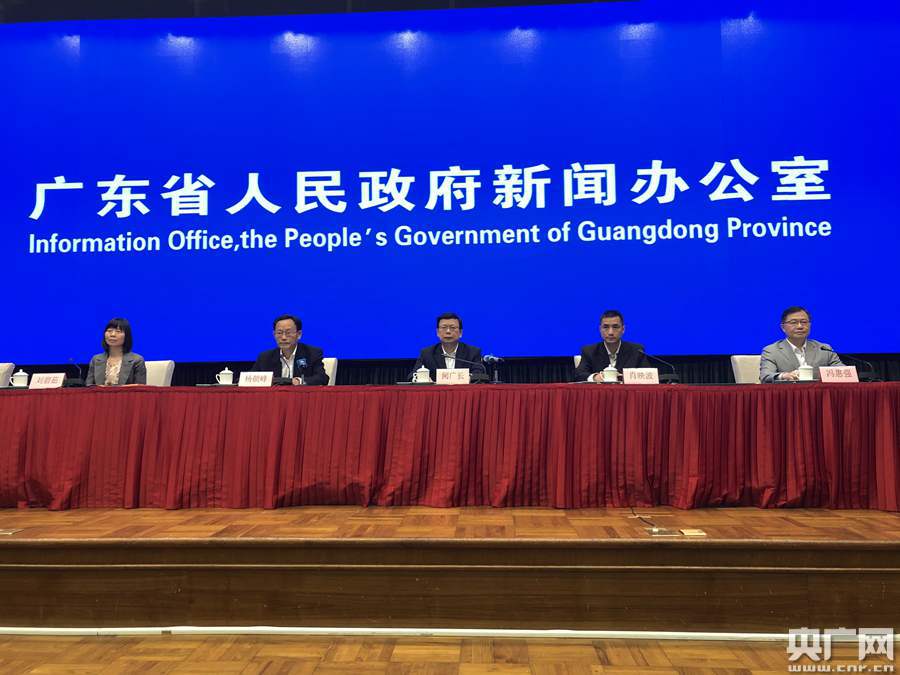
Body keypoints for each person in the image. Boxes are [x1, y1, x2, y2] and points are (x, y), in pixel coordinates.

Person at [760, 306, 843, 383]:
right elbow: (765, 376)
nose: (800, 326)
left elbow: (843, 372)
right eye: (793, 322)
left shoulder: (824, 348)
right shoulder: (772, 351)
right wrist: (783, 376)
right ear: (783, 327)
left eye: (804, 322)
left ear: (809, 325)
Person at [573, 310, 651, 382]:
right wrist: (594, 377)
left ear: (623, 329)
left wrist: (627, 377)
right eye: (606, 327)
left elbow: (649, 376)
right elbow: (579, 375)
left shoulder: (636, 351)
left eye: (615, 327)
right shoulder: (589, 351)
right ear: (600, 329)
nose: (610, 332)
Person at [251, 314, 328, 385]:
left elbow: (322, 378)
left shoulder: (312, 353)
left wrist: (299, 381)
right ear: (274, 334)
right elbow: (249, 379)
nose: (283, 337)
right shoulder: (265, 357)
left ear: (299, 334)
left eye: (288, 333)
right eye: (279, 333)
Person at [412, 312, 483, 380]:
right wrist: (424, 379)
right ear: (437, 332)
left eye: (453, 327)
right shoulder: (427, 354)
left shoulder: (473, 352)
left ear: (460, 332)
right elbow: (413, 375)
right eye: (444, 327)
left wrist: (468, 378)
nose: (448, 331)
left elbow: (479, 375)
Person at [85, 318, 147, 386]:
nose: (112, 334)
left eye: (118, 331)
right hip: (99, 393)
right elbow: (89, 386)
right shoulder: (96, 359)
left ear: (126, 336)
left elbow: (140, 387)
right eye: (109, 331)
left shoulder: (137, 360)